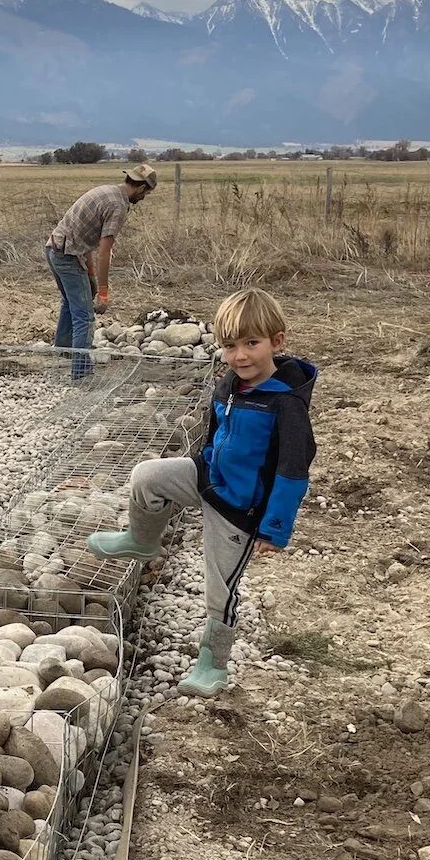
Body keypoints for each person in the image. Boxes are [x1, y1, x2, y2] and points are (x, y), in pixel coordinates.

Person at [86, 287, 317, 696]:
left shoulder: (286, 405)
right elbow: (215, 433)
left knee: (219, 589)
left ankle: (213, 664)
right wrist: (200, 465)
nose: (240, 355)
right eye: (230, 346)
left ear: (277, 342)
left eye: (251, 344)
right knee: (147, 475)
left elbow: (293, 471)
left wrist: (274, 528)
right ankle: (141, 541)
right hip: (210, 477)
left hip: (240, 509)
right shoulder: (230, 383)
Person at [45, 162, 157, 373]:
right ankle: (81, 373)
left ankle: (62, 354)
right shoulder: (118, 206)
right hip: (67, 256)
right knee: (85, 316)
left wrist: (90, 275)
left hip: (53, 249)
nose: (143, 199)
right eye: (146, 194)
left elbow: (85, 236)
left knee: (70, 304)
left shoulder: (105, 191)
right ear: (142, 188)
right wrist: (103, 293)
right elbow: (104, 252)